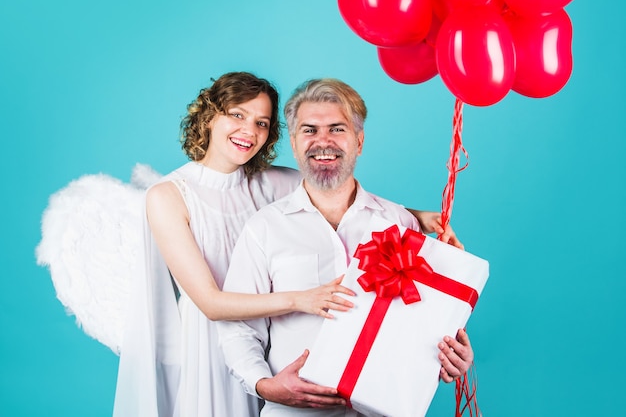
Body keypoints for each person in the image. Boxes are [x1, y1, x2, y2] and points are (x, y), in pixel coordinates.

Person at [113, 72, 457, 417]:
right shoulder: (168, 196)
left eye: (261, 122)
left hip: (272, 346)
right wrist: (302, 300)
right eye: (237, 114)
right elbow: (211, 304)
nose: (249, 130)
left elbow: (336, 187)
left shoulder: (271, 181)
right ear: (208, 116)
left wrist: (417, 218)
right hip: (213, 339)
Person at [217, 78, 474, 416]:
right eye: (309, 130)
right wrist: (265, 385)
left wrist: (450, 355)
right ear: (294, 144)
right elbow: (239, 328)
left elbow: (419, 321)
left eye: (337, 129)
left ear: (359, 141)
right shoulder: (264, 228)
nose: (323, 142)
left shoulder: (401, 223)